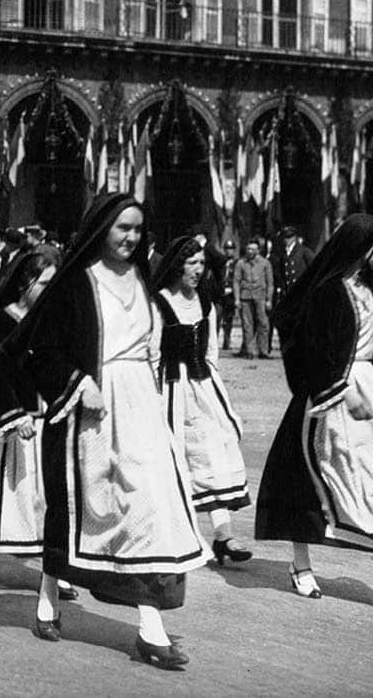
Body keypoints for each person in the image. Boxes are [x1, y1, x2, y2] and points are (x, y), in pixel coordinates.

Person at [3, 193, 206, 670]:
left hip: (142, 411)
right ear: (101, 230)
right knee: (83, 512)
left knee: (149, 510)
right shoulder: (75, 284)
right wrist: (78, 382)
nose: (131, 238)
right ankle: (49, 592)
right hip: (90, 414)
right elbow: (38, 352)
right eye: (122, 229)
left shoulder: (144, 281)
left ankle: (151, 629)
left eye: (137, 229)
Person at [254, 213, 373, 611]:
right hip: (333, 393)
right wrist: (341, 390)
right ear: (361, 245)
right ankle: (302, 564)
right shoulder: (328, 291)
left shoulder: (368, 288)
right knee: (311, 484)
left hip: (370, 389)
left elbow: (362, 337)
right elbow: (313, 345)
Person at [0, 246, 81, 608]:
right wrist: (14, 416)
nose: (50, 288)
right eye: (44, 282)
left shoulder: (56, 320)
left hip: (50, 420)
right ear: (25, 282)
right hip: (11, 423)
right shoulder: (3, 320)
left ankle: (53, 571)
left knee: (53, 500)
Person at [151, 236, 253, 566]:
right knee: (174, 459)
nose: (199, 270)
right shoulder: (160, 303)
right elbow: (152, 356)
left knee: (212, 454)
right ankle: (177, 537)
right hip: (170, 388)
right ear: (178, 265)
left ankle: (223, 536)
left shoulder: (204, 301)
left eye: (202, 264)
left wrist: (214, 389)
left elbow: (211, 352)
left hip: (202, 387)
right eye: (192, 263)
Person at [232, 239, 273, 358]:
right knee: (247, 324)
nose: (250, 251)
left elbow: (270, 283)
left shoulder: (265, 263)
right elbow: (236, 281)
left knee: (263, 323)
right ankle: (249, 351)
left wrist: (269, 300)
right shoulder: (241, 263)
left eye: (253, 249)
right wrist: (237, 299)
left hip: (261, 297)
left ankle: (263, 351)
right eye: (248, 249)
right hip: (245, 296)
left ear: (258, 250)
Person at [273, 226, 314, 308]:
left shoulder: (304, 250)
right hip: (288, 289)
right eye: (284, 238)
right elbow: (281, 271)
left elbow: (313, 268)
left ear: (294, 238)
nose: (286, 240)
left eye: (289, 237)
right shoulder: (283, 253)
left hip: (301, 289)